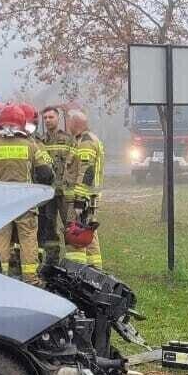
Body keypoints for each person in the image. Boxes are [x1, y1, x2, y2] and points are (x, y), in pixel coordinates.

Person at [0, 103, 55, 283]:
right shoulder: (30, 146)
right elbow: (46, 173)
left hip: (0, 202)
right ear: (22, 123)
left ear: (1, 123)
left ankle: (0, 277)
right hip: (25, 202)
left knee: (1, 239)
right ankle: (30, 278)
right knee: (28, 239)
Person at [64, 109, 104, 267]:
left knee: (77, 237)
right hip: (89, 197)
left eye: (68, 121)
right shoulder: (81, 140)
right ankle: (95, 269)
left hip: (83, 199)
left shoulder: (86, 142)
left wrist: (79, 201)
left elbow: (86, 172)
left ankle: (76, 269)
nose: (67, 125)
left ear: (75, 123)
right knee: (88, 233)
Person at [38, 105, 74, 262]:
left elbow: (74, 165)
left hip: (64, 192)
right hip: (48, 193)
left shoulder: (68, 140)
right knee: (49, 227)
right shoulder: (40, 141)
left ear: (58, 118)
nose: (47, 120)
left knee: (70, 225)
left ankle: (72, 260)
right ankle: (52, 260)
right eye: (45, 118)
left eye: (50, 117)